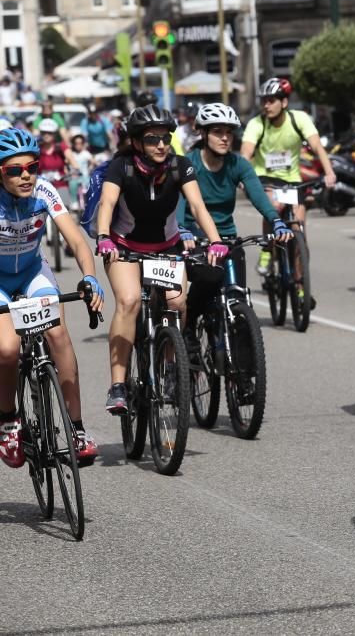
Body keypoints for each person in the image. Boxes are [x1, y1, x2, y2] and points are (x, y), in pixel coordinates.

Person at [96, 105, 227, 413]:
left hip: (166, 247)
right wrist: (103, 236)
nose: (161, 145)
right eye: (153, 139)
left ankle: (169, 369)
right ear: (137, 142)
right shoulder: (121, 167)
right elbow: (107, 202)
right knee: (129, 301)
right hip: (124, 247)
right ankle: (117, 385)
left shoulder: (180, 166)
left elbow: (197, 206)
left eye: (165, 138)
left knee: (178, 302)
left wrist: (216, 241)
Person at [0, 128, 105, 468]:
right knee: (7, 349)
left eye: (31, 166)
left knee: (58, 334)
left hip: (32, 272)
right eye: (14, 170)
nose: (26, 175)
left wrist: (89, 276)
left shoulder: (44, 190)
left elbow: (75, 239)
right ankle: (8, 421)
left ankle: (76, 430)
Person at [176, 103, 293, 347]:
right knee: (206, 281)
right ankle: (189, 330)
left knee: (237, 295)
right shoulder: (188, 163)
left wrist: (277, 221)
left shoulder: (238, 164)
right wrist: (182, 229)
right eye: (218, 131)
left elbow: (258, 195)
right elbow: (179, 202)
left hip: (227, 238)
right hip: (194, 237)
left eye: (229, 132)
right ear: (203, 133)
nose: (225, 138)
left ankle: (243, 371)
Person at [240, 77, 335, 294]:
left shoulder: (299, 118)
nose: (266, 105)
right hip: (264, 178)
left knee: (298, 226)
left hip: (292, 181)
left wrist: (329, 172)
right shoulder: (257, 124)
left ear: (284, 102)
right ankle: (267, 250)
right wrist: (244, 178)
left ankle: (300, 283)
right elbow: (246, 154)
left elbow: (317, 146)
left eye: (271, 100)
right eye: (264, 101)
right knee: (272, 207)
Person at [36, 118, 78, 208]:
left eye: (49, 133)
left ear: (54, 134)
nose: (46, 135)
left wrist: (74, 170)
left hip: (60, 184)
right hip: (40, 186)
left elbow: (72, 161)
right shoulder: (36, 148)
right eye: (44, 132)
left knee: (63, 209)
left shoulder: (61, 147)